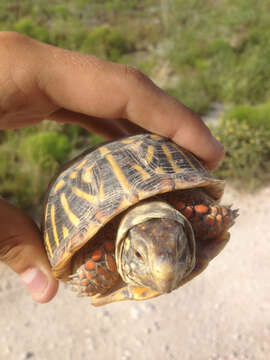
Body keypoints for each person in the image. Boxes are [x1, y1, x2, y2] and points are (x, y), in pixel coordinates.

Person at [0, 31, 224, 304]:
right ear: (125, 250)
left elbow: (205, 211)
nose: (162, 268)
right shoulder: (107, 252)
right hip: (103, 231)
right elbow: (85, 269)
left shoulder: (181, 216)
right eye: (140, 255)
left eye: (177, 249)